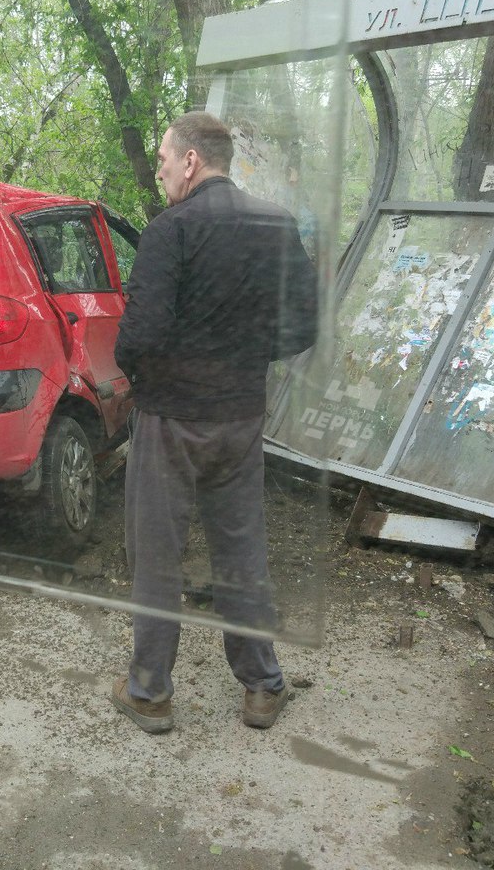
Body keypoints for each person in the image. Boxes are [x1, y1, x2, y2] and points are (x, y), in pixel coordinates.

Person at [110, 111, 319, 734]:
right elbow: (305, 325)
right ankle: (262, 687)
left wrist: (148, 376)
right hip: (240, 415)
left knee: (158, 554)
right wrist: (248, 358)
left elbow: (138, 337)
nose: (163, 171)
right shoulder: (276, 226)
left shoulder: (169, 231)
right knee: (241, 549)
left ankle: (149, 694)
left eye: (166, 160)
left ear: (193, 160)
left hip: (171, 418)